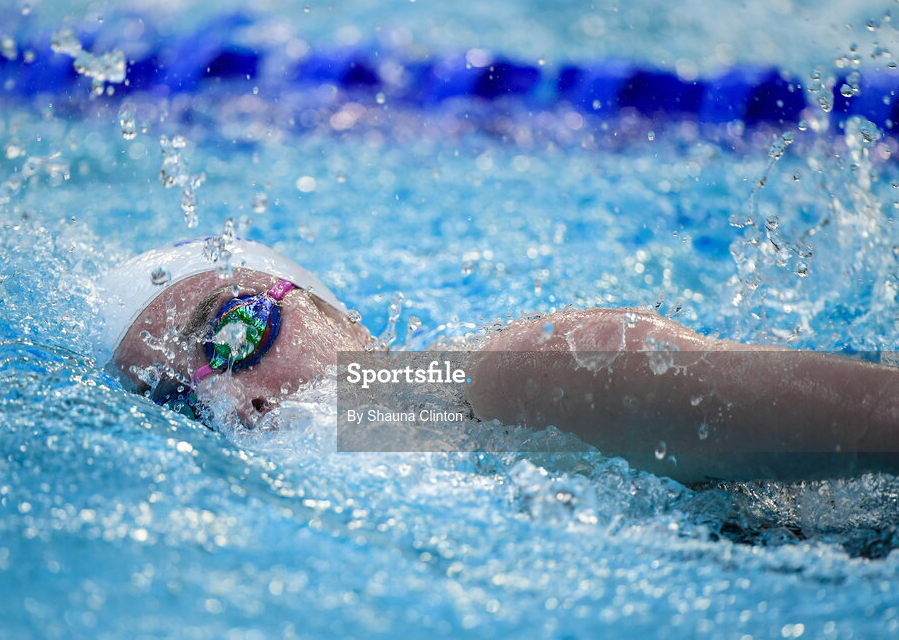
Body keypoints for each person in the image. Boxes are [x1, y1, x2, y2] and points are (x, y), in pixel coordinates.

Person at [96, 237, 899, 484]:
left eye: (234, 335)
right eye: (175, 396)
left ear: (332, 310)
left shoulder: (518, 377)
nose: (234, 402)